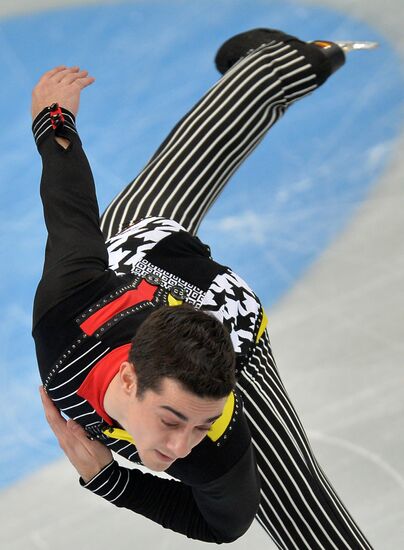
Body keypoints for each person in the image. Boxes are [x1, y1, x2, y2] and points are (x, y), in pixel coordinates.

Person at [33, 28, 373, 549]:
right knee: (136, 207)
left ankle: (282, 67)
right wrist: (53, 118)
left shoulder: (220, 429)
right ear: (127, 380)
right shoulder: (67, 304)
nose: (181, 447)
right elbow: (69, 206)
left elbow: (222, 523)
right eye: (172, 420)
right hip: (136, 253)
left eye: (198, 427)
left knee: (310, 527)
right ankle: (281, 64)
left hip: (231, 333)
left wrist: (112, 481)